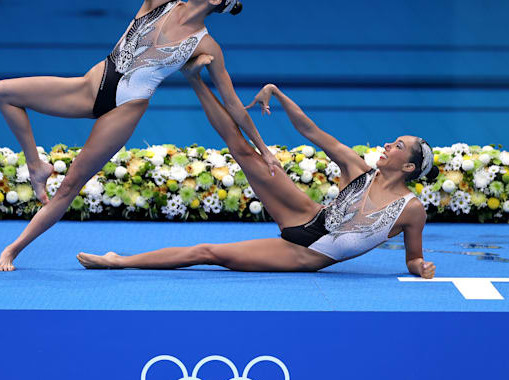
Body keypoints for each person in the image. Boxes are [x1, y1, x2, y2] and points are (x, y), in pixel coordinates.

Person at [77, 55, 438, 278]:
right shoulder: (359, 170)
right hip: (306, 214)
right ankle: (194, 78)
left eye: (398, 146)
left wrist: (420, 267)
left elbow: (413, 258)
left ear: (409, 167)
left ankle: (119, 261)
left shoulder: (411, 210)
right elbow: (311, 131)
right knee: (245, 152)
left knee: (208, 253)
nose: (388, 145)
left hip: (305, 254)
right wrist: (275, 92)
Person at [0, 0, 280, 271]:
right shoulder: (161, 4)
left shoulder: (206, 45)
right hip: (88, 89)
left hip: (125, 109)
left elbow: (233, 105)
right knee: (3, 92)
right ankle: (36, 166)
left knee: (70, 184)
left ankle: (13, 249)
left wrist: (264, 150)